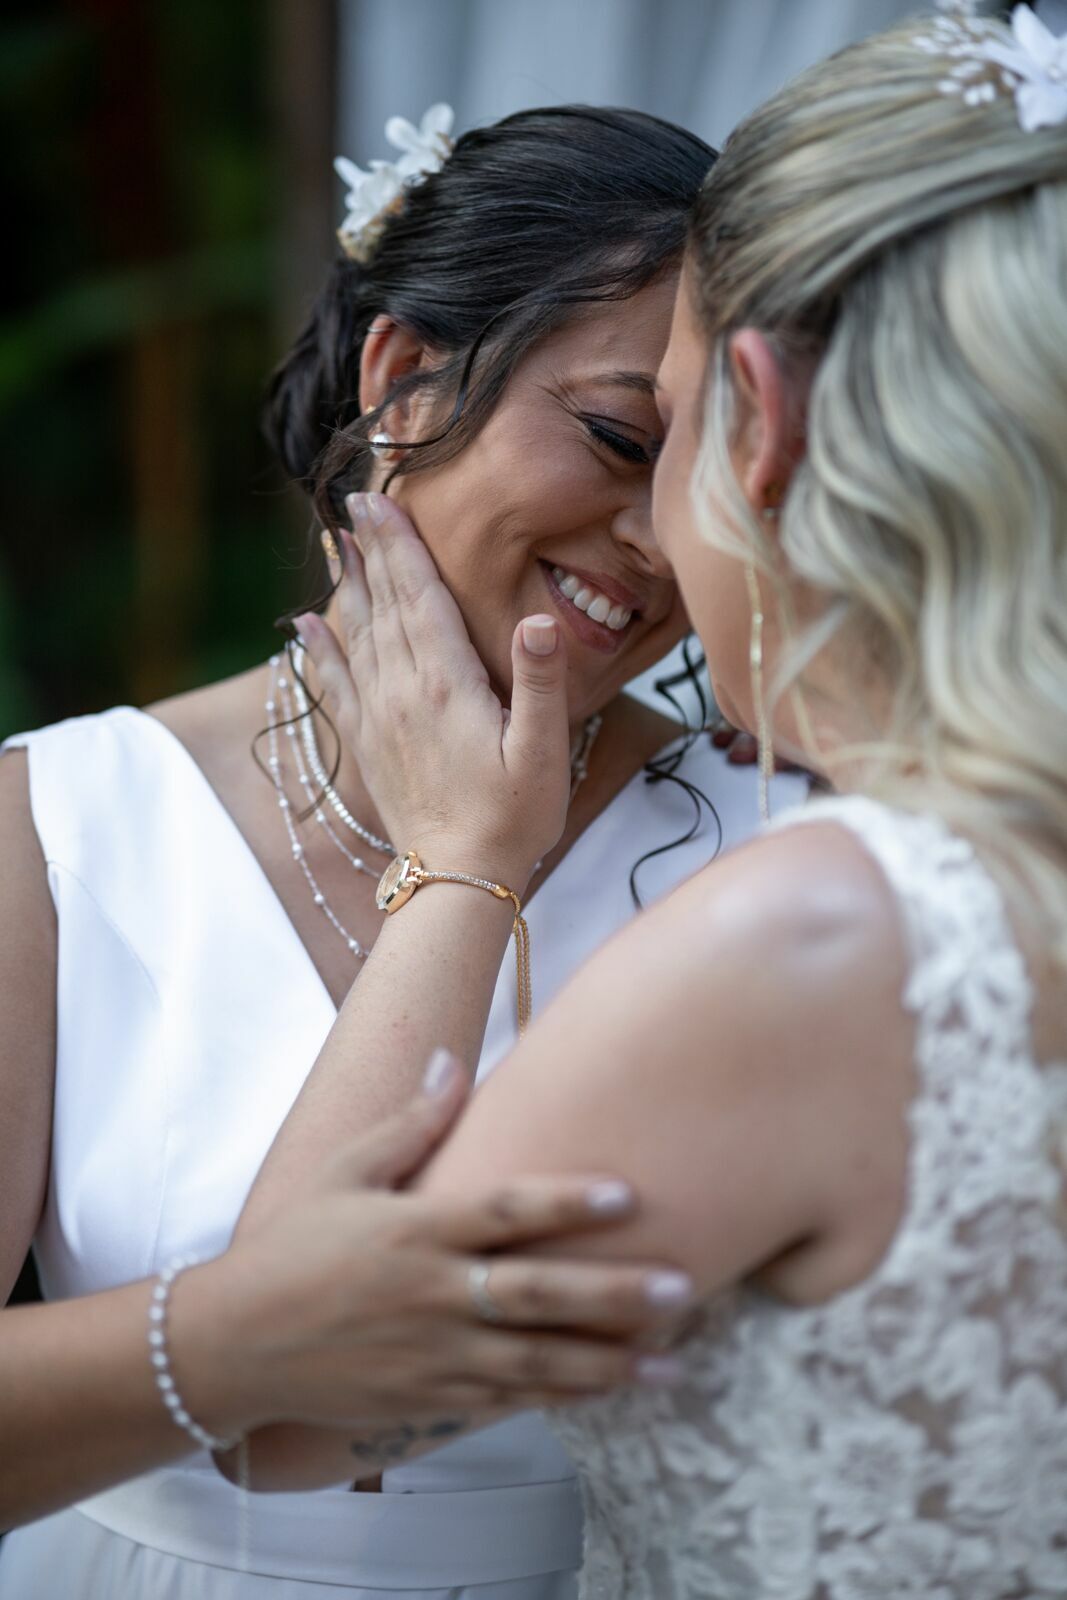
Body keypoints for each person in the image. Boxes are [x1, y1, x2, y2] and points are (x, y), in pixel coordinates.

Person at [235, 8, 1067, 1596]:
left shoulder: (820, 936)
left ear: (773, 426)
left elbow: (278, 1402)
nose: (654, 541)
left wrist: (463, 864)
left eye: (663, 431)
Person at [0, 102, 808, 1596]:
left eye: (714, 476)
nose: (653, 537)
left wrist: (470, 855)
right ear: (405, 375)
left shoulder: (777, 852)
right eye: (621, 437)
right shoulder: (59, 822)